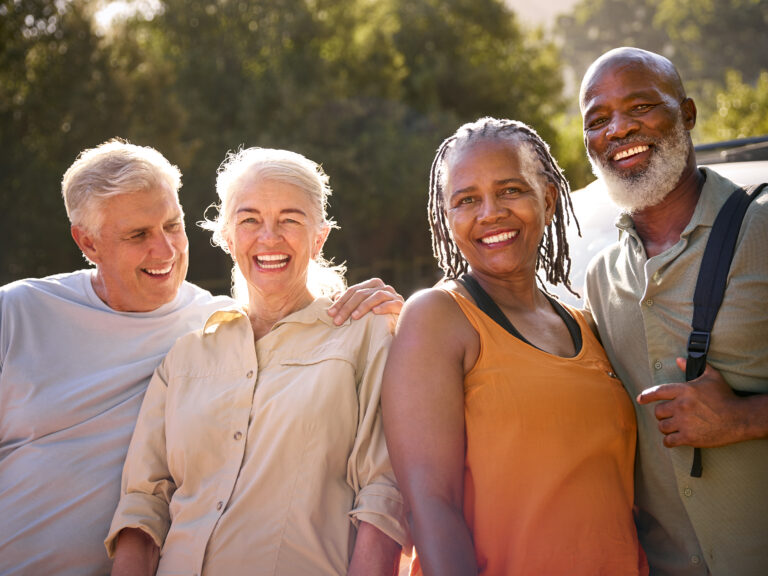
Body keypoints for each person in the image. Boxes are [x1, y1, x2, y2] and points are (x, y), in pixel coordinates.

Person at [0, 140, 402, 576]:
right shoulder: (186, 349)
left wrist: (403, 316)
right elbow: (144, 503)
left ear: (319, 235)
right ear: (227, 236)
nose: (166, 251)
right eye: (250, 220)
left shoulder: (363, 334)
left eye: (290, 219)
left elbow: (383, 492)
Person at [382, 117, 646, 575]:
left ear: (547, 198)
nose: (490, 213)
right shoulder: (438, 318)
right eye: (467, 200)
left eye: (510, 190)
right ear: (448, 219)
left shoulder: (585, 324)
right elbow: (430, 505)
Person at [580, 47, 768, 576]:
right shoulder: (598, 280)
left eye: (640, 107)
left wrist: (744, 419)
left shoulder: (764, 232)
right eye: (598, 119)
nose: (618, 129)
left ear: (686, 114)